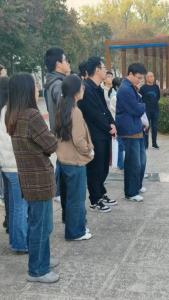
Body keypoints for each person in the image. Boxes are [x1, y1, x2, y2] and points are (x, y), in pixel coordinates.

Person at [7, 73, 60, 283]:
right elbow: (51, 144)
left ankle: (41, 259)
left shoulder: (14, 114)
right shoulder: (31, 116)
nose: (37, 88)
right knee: (42, 225)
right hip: (39, 177)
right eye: (34, 85)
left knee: (37, 223)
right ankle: (37, 270)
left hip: (27, 177)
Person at [0, 77, 28, 253]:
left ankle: (15, 240)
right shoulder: (11, 112)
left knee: (14, 206)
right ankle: (21, 243)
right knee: (20, 206)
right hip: (15, 165)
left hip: (7, 164)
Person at [55, 75, 94, 241]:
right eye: (81, 86)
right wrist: (89, 151)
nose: (83, 88)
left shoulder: (61, 107)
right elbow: (78, 139)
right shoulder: (75, 111)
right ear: (76, 91)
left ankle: (77, 227)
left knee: (70, 198)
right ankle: (75, 232)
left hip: (64, 159)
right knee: (76, 199)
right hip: (75, 161)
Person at [78, 57, 118, 213]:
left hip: (104, 133)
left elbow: (105, 110)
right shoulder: (86, 88)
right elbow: (94, 114)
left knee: (103, 167)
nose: (106, 70)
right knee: (95, 168)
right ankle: (95, 200)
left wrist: (112, 123)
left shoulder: (98, 88)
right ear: (97, 70)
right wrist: (109, 127)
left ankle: (101, 193)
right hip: (94, 135)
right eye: (104, 67)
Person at [116, 62, 147, 202]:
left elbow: (139, 104)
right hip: (130, 130)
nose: (139, 81)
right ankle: (130, 192)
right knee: (133, 163)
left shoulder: (131, 88)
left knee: (141, 161)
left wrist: (141, 104)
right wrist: (142, 106)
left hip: (136, 128)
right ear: (130, 74)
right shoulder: (125, 89)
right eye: (138, 77)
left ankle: (137, 186)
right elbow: (138, 109)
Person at [43, 47, 71, 206]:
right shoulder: (59, 84)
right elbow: (65, 111)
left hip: (58, 129)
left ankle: (57, 190)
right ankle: (58, 191)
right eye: (65, 60)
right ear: (58, 64)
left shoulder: (52, 82)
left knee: (61, 161)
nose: (68, 63)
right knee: (64, 161)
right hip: (63, 130)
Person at [140, 72, 161, 150]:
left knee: (154, 127)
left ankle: (154, 143)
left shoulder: (156, 87)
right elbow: (140, 98)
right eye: (150, 76)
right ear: (146, 78)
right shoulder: (143, 88)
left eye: (153, 76)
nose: (152, 78)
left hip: (155, 109)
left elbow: (158, 97)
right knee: (146, 127)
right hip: (147, 110)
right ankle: (145, 144)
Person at [109, 78, 125, 171]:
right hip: (117, 123)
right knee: (120, 146)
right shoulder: (115, 97)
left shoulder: (117, 96)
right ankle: (120, 165)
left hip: (119, 122)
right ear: (117, 87)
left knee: (120, 145)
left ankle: (120, 164)